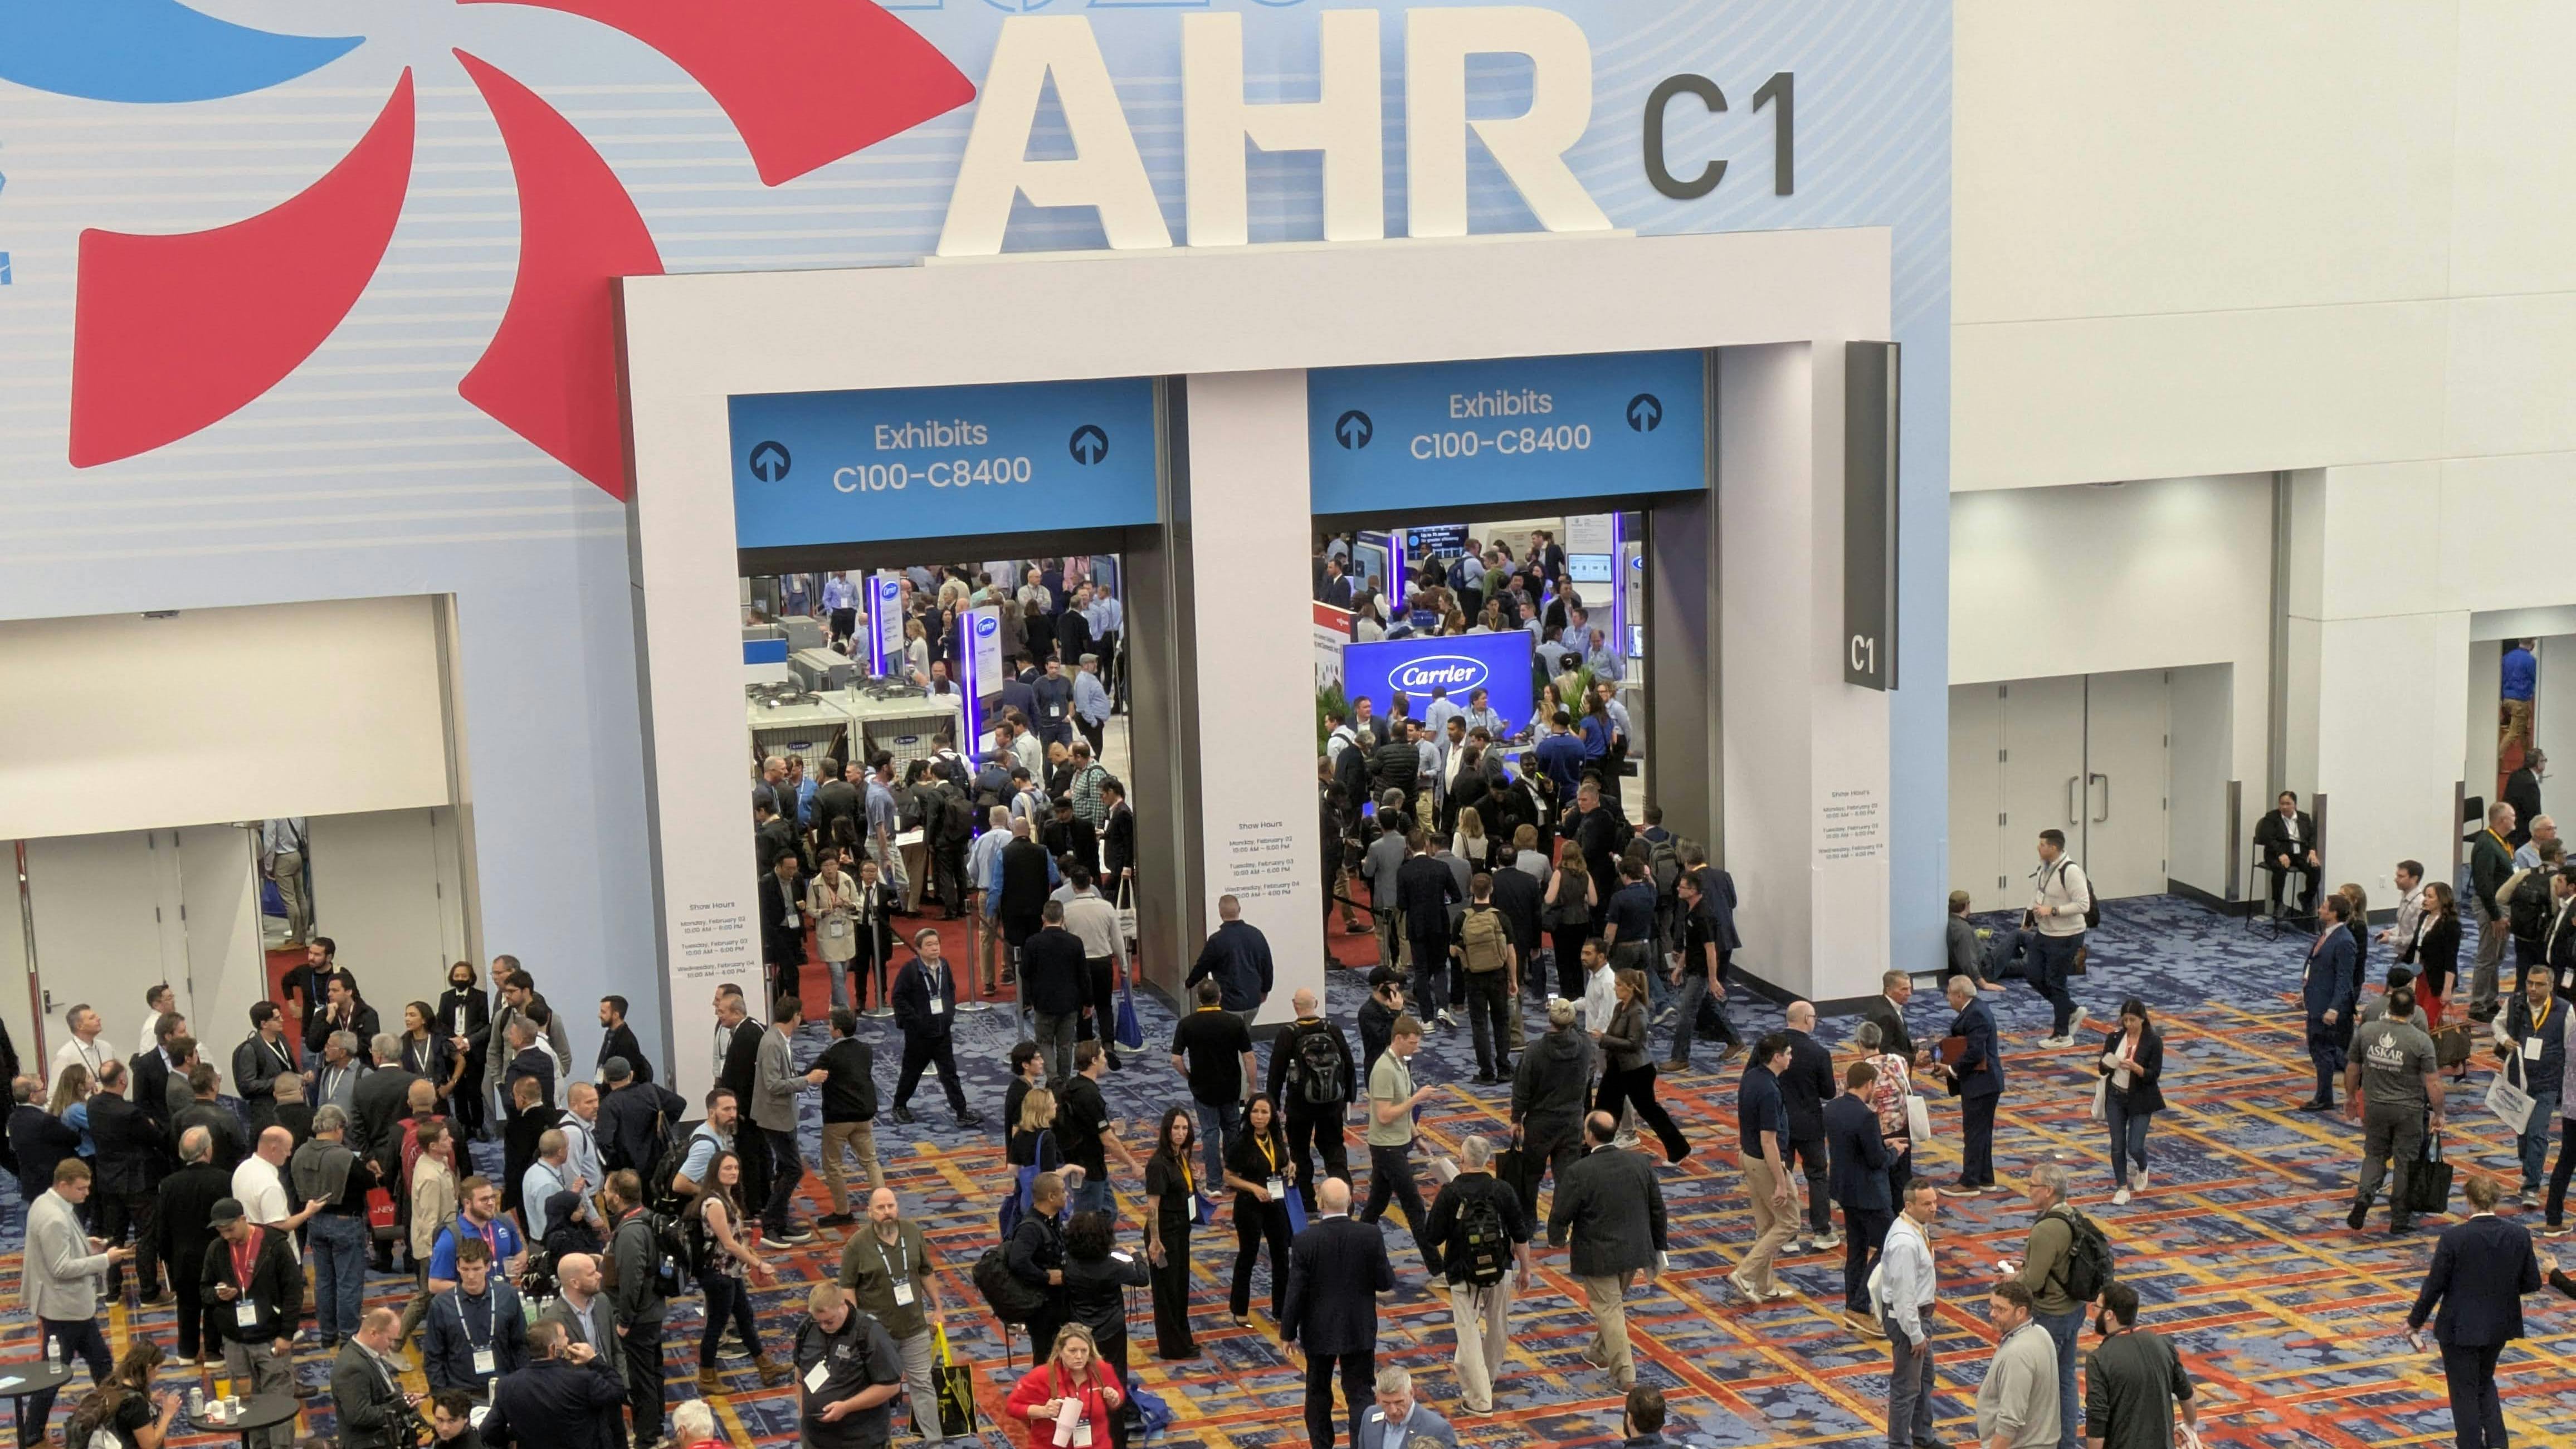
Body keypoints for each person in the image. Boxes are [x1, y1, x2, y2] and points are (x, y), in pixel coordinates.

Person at [2405, 1174, 2539, 1449]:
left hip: (2459, 1329)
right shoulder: (2519, 1235)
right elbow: (2531, 1282)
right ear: (2497, 1199)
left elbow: (2434, 1287)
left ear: (2469, 1202)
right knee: (2484, 1382)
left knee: (2464, 1392)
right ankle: (2498, 1443)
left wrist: (2414, 1322)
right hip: (2499, 1326)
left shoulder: (2454, 1238)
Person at [1548, 1111, 1667, 1393]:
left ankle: (1625, 1375)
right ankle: (1599, 1352)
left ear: (1589, 1135)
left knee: (1610, 1310)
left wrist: (1557, 1238)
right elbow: (1658, 1209)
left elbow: (1561, 1213)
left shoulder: (1580, 1171)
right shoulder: (1640, 1162)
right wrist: (1659, 1247)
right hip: (1635, 1251)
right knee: (1611, 1307)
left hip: (1597, 1254)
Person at [1421, 1134, 1533, 1415]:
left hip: (1463, 1275)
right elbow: (1520, 1234)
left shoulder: (1450, 1192)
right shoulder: (1503, 1190)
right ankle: (1489, 1378)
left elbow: (1432, 1236)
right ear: (1486, 1161)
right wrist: (1526, 1270)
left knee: (1468, 1333)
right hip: (1500, 1270)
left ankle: (1481, 1398)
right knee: (1497, 1327)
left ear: (1462, 1159)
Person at [19, 1159, 125, 1448]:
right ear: (63, 1184)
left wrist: (83, 1245)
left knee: (97, 1363)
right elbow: (61, 1268)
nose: (87, 1193)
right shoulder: (54, 1217)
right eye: (81, 1188)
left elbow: (58, 1251)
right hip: (66, 1308)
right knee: (57, 1373)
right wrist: (105, 1260)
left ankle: (118, 1418)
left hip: (64, 1307)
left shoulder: (44, 1203)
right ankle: (32, 1435)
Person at [1284, 1177, 1394, 1449]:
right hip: (1359, 1327)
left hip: (1318, 1329)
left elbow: (1295, 1291)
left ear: (1320, 1203)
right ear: (1351, 1202)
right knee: (1360, 1394)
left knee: (1318, 1392)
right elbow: (1386, 1282)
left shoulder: (1305, 1240)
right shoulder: (1370, 1235)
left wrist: (1287, 1332)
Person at [835, 1187, 948, 1445]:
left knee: (923, 1386)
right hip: (878, 1335)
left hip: (915, 1327)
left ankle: (935, 1442)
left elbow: (926, 1271)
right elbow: (847, 1287)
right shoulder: (857, 1245)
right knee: (880, 1391)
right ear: (870, 1213)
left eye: (891, 1206)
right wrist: (855, 1326)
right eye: (881, 1208)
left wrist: (939, 1308)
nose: (887, 1213)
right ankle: (879, 1442)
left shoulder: (912, 1232)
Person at [1999, 1163, 2090, 1449]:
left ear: (2048, 1191)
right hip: (2073, 1310)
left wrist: (2014, 1277)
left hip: (2050, 1316)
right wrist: (2026, 1266)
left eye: (2033, 1185)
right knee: (2066, 1380)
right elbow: (2057, 1264)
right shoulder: (2072, 1215)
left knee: (2041, 1388)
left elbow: (2034, 1282)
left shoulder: (2046, 1228)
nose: (2028, 1190)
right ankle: (2067, 1442)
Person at [685, 1150, 788, 1393]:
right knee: (716, 1325)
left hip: (731, 1271)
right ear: (715, 1172)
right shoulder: (715, 1203)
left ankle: (765, 1366)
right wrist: (758, 1264)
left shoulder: (727, 1198)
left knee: (745, 1318)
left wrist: (750, 1260)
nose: (733, 1173)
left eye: (735, 1168)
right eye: (727, 1169)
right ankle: (707, 1377)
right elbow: (729, 1243)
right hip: (718, 1273)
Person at [1358, 1015, 1442, 1272]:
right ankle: (1438, 1269)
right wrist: (1417, 1098)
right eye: (1412, 1043)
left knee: (1375, 1207)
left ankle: (1352, 1250)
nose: (1415, 1049)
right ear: (1398, 1039)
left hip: (1398, 1143)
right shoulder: (1384, 1069)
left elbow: (1401, 1109)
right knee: (1415, 1207)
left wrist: (1416, 1137)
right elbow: (1384, 1115)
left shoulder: (1400, 1064)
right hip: (1387, 1147)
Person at [2084, 1281, 2203, 1449]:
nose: (2093, 1312)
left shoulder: (2099, 1359)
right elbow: (2186, 1393)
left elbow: (2097, 1419)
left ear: (2109, 1315)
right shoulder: (2163, 1344)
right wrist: (2190, 1427)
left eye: (2096, 1307)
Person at [1269, 988, 1355, 1213]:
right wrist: (1348, 1097)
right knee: (1334, 1149)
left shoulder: (1289, 1034)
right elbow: (1348, 1062)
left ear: (1294, 1005)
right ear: (1316, 1004)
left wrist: (1273, 1105)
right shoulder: (1332, 1029)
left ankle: (1307, 1200)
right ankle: (1345, 1196)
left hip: (1300, 1105)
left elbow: (1276, 1072)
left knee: (1299, 1151)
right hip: (1332, 1104)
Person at [789, 1281, 904, 1449]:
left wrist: (846, 1407)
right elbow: (799, 1368)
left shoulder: (869, 1333)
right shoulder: (808, 1327)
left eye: (829, 1321)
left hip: (859, 1441)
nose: (823, 1327)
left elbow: (891, 1386)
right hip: (814, 1438)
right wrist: (802, 1409)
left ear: (842, 1304)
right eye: (818, 1321)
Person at [481, 1319, 629, 1449]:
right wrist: (594, 1360)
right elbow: (618, 1392)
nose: (568, 1340)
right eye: (564, 1336)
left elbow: (488, 1431)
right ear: (552, 1349)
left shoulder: (506, 1386)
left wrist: (513, 1438)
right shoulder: (583, 1381)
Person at [86, 1061, 163, 1306]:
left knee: (113, 1237)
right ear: (123, 1080)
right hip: (137, 1182)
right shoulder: (131, 1113)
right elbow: (155, 1138)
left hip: (108, 1181)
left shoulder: (93, 1105)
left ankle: (113, 1292)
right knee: (145, 1237)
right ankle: (149, 1292)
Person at [601, 1171, 670, 1448]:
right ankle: (656, 1430)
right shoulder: (646, 1217)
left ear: (617, 1196)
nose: (603, 1195)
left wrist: (625, 1321)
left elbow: (632, 1279)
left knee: (642, 1381)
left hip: (638, 1319)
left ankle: (647, 1438)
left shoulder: (631, 1232)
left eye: (606, 1191)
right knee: (653, 1374)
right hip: (652, 1310)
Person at [1826, 1061, 1894, 1337]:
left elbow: (1852, 1147)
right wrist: (1895, 1153)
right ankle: (1859, 1304)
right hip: (1869, 1193)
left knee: (1856, 1250)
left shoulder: (1832, 1109)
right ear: (1868, 1085)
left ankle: (1853, 1307)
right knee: (1891, 1245)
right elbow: (1877, 1160)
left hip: (1845, 1190)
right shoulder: (1866, 1116)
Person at [1731, 1033, 1800, 1302]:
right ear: (1777, 1057)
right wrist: (1781, 1181)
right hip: (1764, 1162)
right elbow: (1769, 1141)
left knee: (1767, 1225)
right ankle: (1745, 1273)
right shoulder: (1770, 1090)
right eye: (1789, 1053)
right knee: (1789, 1221)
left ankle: (1765, 1286)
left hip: (1748, 1157)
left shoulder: (1751, 1077)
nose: (1792, 1057)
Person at [891, 929, 984, 1128]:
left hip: (942, 1032)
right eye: (929, 945)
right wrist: (916, 1021)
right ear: (918, 949)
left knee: (950, 1073)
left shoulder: (944, 966)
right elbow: (898, 998)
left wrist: (949, 1013)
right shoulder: (910, 971)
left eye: (936, 944)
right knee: (911, 1072)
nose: (934, 948)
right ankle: (899, 1106)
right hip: (919, 1036)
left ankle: (961, 1111)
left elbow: (950, 989)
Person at [1596, 969, 1689, 1163]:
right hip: (1618, 1067)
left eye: (1619, 985)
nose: (1615, 988)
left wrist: (1604, 1039)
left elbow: (1634, 1044)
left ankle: (1678, 1148)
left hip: (1637, 1070)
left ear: (1631, 988)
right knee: (1605, 1105)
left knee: (1649, 1111)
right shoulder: (1620, 1007)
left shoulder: (1638, 1011)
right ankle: (1599, 1147)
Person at [1877, 1178, 1944, 1449]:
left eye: (1935, 1202)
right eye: (1927, 1204)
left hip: (1919, 1318)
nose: (1933, 1209)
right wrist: (1915, 1334)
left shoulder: (1917, 1228)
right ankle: (1899, 1444)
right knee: (1906, 1388)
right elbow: (1904, 1297)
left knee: (1925, 1378)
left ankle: (1922, 1437)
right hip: (1910, 1321)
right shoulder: (1906, 1243)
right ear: (1909, 1205)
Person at [1171, 978, 1255, 1191]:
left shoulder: (1187, 1024)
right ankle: (1233, 1176)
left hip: (1203, 1089)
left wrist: (1189, 1077)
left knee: (1209, 1133)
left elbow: (1176, 1060)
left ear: (1199, 999)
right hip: (1231, 1088)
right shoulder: (1234, 1022)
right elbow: (1249, 1057)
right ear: (1220, 997)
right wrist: (1252, 1086)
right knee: (1232, 1129)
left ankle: (1214, 1183)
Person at [1223, 1093, 1299, 1325]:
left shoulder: (1276, 1137)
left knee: (1281, 1257)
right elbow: (1228, 1177)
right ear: (1249, 1114)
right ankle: (1239, 1309)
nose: (1259, 1116)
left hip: (1276, 1202)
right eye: (1255, 1111)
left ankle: (1280, 1311)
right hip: (1249, 1204)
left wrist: (1290, 1166)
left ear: (1272, 1116)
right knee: (1248, 1255)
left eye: (1264, 1112)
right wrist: (1253, 1188)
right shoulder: (1241, 1142)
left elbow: (1282, 1161)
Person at [423, 1237, 530, 1394]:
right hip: (461, 1392)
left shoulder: (508, 1296)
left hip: (505, 1387)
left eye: (476, 1269)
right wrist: (441, 1396)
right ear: (457, 1267)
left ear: (488, 1267)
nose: (471, 1276)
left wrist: (524, 1383)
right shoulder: (441, 1305)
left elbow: (521, 1345)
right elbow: (433, 1356)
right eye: (465, 1269)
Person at [751, 996, 816, 1243]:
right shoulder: (772, 1044)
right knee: (793, 1169)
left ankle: (779, 1222)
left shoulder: (779, 1040)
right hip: (775, 1117)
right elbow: (773, 1084)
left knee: (786, 1168)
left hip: (782, 1115)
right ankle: (772, 1224)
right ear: (795, 1016)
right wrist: (807, 1080)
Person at [811, 1009, 884, 1227]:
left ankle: (843, 1211)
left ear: (838, 1031)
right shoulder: (865, 1050)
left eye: (830, 1025)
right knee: (871, 1161)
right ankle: (883, 1205)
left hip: (838, 1119)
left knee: (833, 1164)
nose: (828, 1027)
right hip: (864, 1114)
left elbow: (810, 1075)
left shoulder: (830, 1055)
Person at [1935, 974, 2007, 1195]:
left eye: (1949, 994)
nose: (1947, 998)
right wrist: (1934, 1051)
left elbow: (1976, 1052)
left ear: (1960, 994)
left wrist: (1951, 1069)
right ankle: (1985, 1178)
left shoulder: (1975, 1013)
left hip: (1981, 1083)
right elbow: (1959, 1042)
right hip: (1984, 1083)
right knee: (1982, 1132)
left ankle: (1969, 1182)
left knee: (1974, 1132)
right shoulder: (1975, 1009)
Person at [1004, 1320, 1125, 1449]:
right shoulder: (1041, 1376)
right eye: (1072, 1351)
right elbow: (1012, 1406)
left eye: (1084, 1351)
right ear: (1060, 1351)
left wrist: (1114, 1398)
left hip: (1097, 1445)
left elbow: (1118, 1394)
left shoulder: (1102, 1370)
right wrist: (1043, 1411)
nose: (1079, 1356)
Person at [1777, 1001, 1838, 1250]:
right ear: (1806, 1019)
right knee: (1817, 1176)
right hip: (1810, 1124)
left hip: (1778, 1123)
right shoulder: (1819, 1053)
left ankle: (1788, 1235)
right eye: (1814, 1017)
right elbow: (1829, 1092)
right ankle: (1822, 1232)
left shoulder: (1769, 1046)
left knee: (1782, 1175)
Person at [2294, 893, 2362, 1112]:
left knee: (2323, 1052)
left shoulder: (2344, 941)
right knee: (2322, 1051)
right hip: (2317, 1001)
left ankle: (2325, 1097)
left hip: (2328, 1009)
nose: (2320, 909)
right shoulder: (2328, 935)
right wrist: (2305, 994)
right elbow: (2316, 966)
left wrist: (2333, 1008)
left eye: (2324, 907)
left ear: (2333, 914)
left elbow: (2344, 980)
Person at [2024, 831, 2092, 1046]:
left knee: (2056, 981)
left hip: (2067, 935)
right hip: (2045, 933)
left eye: (2042, 845)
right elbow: (2038, 894)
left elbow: (2084, 905)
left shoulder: (2071, 871)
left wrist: (2053, 911)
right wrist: (2028, 917)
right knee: (2033, 974)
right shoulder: (2044, 868)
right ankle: (2071, 1009)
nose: (2039, 848)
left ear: (2054, 848)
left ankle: (2062, 1035)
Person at [534, 1254, 622, 1420]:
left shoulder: (603, 1302)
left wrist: (622, 1385)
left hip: (610, 1392)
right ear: (575, 1283)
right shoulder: (551, 1320)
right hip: (581, 1405)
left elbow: (616, 1349)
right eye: (592, 1274)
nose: (600, 1275)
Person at [1978, 1280, 2062, 1449]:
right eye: (1991, 1306)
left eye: (2001, 1309)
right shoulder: (2040, 1333)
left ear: (2021, 1312)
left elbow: (2009, 1422)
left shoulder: (2017, 1354)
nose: (1993, 1314)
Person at [2099, 998, 2165, 1205]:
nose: (2128, 1025)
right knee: (2117, 1145)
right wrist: (2109, 1063)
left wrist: (2137, 1069)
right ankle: (2122, 1188)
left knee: (2135, 1146)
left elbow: (2154, 1075)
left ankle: (2143, 1166)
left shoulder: (2153, 1041)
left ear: (2143, 1019)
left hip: (2141, 1099)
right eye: (2125, 1020)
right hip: (2116, 1097)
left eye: (2132, 1020)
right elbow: (2102, 1069)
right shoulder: (2115, 1037)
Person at [1453, 874, 1519, 1082]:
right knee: (1501, 1021)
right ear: (1491, 890)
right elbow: (1511, 953)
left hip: (1473, 977)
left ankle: (1486, 1072)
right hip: (1498, 975)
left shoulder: (1462, 918)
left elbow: (1453, 952)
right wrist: (1514, 980)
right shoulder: (1501, 917)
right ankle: (1505, 1068)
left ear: (1472, 890)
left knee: (1479, 1024)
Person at [332, 1308, 425, 1449]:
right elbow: (359, 1415)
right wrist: (398, 1407)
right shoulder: (352, 1367)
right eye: (390, 1339)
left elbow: (380, 1396)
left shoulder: (370, 1354)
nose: (392, 1345)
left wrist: (404, 1400)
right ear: (373, 1333)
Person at [58, 1341, 179, 1449]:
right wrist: (167, 1414)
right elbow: (150, 1445)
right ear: (149, 1369)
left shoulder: (114, 1382)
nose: (158, 1373)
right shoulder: (135, 1404)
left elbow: (122, 1413)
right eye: (158, 1368)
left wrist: (149, 1400)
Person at [1007, 1169, 1073, 1363]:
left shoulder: (1051, 1222)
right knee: (1046, 1359)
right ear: (1052, 1197)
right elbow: (1017, 1262)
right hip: (1043, 1308)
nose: (1067, 1194)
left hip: (1056, 1304)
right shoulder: (1031, 1228)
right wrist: (1046, 1277)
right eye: (1063, 1191)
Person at [2471, 802, 2518, 1023]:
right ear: (2501, 820)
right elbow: (2483, 884)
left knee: (2497, 956)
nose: (2515, 818)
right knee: (2487, 956)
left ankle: (2490, 1000)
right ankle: (2478, 1004)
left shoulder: (2501, 842)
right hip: (2491, 906)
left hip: (2501, 905)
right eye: (2512, 815)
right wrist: (2496, 916)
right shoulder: (2487, 845)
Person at [2253, 789, 2322, 919]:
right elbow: (2268, 838)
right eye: (2282, 804)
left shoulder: (2304, 818)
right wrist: (2280, 853)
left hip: (2299, 853)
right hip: (2276, 852)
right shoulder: (2272, 817)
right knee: (2280, 869)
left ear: (2295, 805)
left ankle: (2306, 898)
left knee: (2315, 869)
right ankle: (2278, 903)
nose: (2284, 807)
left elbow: (2312, 836)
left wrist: (2312, 851)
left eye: (2288, 804)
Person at [1355, 1365, 1457, 1449]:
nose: (1393, 1411)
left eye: (1399, 1402)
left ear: (1412, 1393)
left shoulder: (1438, 1430)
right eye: (1386, 1403)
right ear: (1377, 1398)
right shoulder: (1369, 1416)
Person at [1944, 892, 2003, 992]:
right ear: (1966, 906)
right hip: (1986, 968)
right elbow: (1969, 962)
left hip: (1984, 961)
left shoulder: (1951, 922)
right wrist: (1984, 985)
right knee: (2017, 937)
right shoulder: (1964, 930)